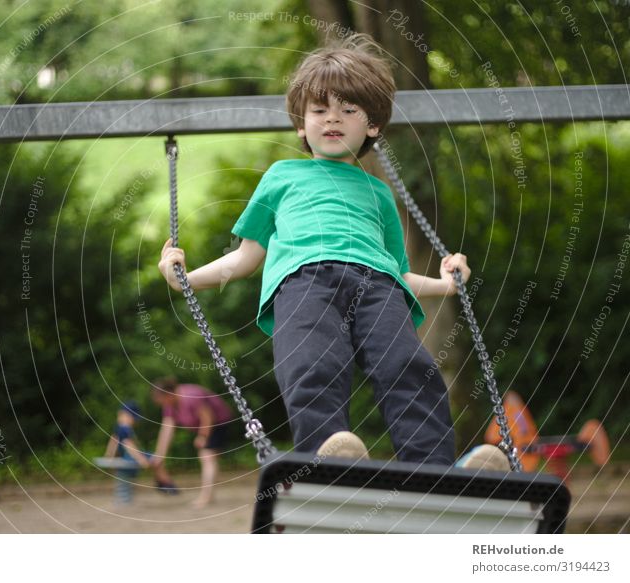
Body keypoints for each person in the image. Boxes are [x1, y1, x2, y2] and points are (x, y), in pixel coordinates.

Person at [158, 34, 508, 472]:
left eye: (348, 110)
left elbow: (399, 272)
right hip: (304, 285)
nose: (332, 119)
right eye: (319, 110)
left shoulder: (379, 193)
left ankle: (435, 472)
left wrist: (445, 284)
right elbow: (246, 258)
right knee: (312, 367)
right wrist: (185, 278)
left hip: (379, 287)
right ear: (301, 125)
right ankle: (327, 462)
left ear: (373, 126)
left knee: (408, 367)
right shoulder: (282, 176)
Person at [150, 377, 234, 508]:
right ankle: (209, 495)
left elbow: (207, 416)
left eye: (159, 398)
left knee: (207, 457)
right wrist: (160, 454)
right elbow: (167, 428)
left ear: (167, 394)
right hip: (205, 423)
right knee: (208, 458)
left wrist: (202, 436)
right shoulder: (169, 404)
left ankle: (206, 497)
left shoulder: (191, 396)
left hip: (218, 422)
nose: (159, 402)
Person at [103, 401, 149, 504]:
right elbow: (128, 445)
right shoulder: (125, 428)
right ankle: (124, 500)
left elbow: (113, 441)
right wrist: (141, 459)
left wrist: (109, 455)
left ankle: (123, 499)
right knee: (151, 457)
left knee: (124, 479)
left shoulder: (119, 427)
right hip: (129, 457)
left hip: (125, 457)